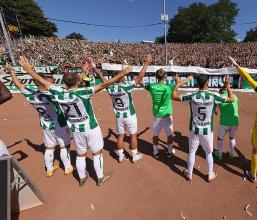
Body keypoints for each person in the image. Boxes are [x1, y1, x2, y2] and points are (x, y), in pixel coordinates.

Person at [18, 56, 132, 186]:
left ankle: (82, 177)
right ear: (78, 82)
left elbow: (41, 81)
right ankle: (100, 177)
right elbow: (105, 83)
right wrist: (122, 73)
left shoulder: (58, 93)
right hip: (91, 128)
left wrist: (28, 70)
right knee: (97, 153)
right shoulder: (84, 92)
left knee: (80, 155)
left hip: (76, 130)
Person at [6, 64, 73, 177]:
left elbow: (18, 85)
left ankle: (49, 169)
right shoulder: (53, 94)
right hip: (59, 123)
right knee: (64, 146)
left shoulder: (31, 95)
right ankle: (67, 167)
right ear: (43, 82)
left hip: (45, 124)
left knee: (49, 148)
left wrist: (12, 71)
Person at [171, 74, 234, 183]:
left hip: (194, 129)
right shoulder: (213, 96)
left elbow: (173, 96)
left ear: (197, 84)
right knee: (208, 153)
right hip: (207, 131)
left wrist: (177, 85)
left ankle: (189, 174)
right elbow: (232, 99)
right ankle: (210, 174)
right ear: (207, 84)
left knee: (192, 152)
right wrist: (227, 86)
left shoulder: (192, 96)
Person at [95, 54, 152, 163]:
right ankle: (134, 155)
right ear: (121, 77)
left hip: (119, 116)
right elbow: (139, 77)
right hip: (130, 115)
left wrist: (96, 70)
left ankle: (121, 156)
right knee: (133, 135)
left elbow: (103, 79)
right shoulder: (127, 86)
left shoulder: (110, 88)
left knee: (120, 136)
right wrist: (146, 63)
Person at [141, 69, 176, 158]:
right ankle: (169, 151)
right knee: (170, 135)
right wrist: (184, 80)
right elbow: (178, 84)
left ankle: (156, 152)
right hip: (167, 115)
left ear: (156, 77)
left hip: (157, 116)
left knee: (155, 135)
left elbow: (142, 84)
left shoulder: (152, 87)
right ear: (165, 77)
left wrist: (138, 81)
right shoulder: (169, 87)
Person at [214, 87, 239, 160]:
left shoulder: (220, 97)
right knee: (232, 138)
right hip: (235, 121)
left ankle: (220, 154)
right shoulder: (235, 96)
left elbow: (215, 111)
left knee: (220, 138)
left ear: (220, 92)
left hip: (224, 122)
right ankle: (231, 154)